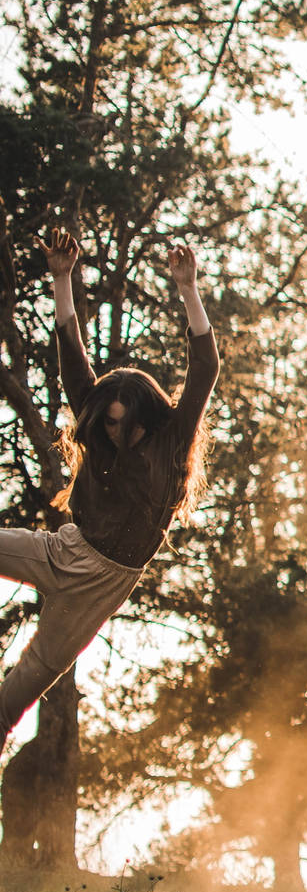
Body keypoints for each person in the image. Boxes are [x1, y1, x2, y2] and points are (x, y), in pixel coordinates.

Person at [2, 230, 219, 750]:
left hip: (102, 585)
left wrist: (189, 291)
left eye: (125, 424)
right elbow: (73, 364)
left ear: (146, 415)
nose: (116, 434)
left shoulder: (171, 438)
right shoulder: (100, 426)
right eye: (110, 424)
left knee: (17, 692)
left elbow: (205, 370)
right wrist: (62, 279)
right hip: (64, 549)